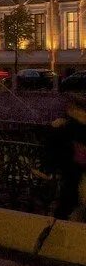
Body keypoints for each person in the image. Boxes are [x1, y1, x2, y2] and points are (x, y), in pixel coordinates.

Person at [41, 93, 86, 221]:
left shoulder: (67, 127)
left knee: (69, 203)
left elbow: (52, 147)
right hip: (73, 175)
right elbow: (54, 148)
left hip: (75, 175)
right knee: (69, 203)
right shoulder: (67, 127)